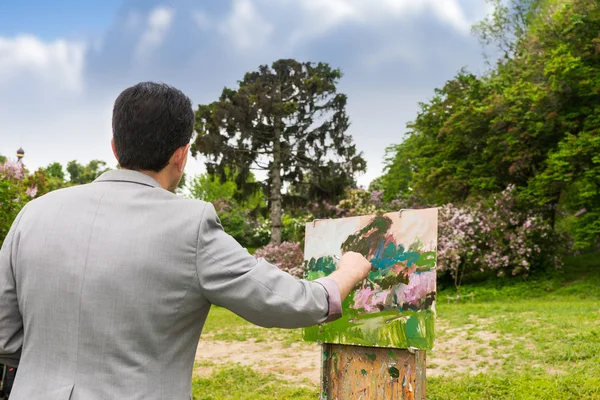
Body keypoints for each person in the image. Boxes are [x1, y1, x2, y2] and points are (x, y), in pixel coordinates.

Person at [0, 82, 372, 399]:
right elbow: (286, 302)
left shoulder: (34, 213)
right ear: (181, 155)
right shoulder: (189, 223)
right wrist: (346, 273)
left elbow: (4, 336)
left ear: (114, 147)